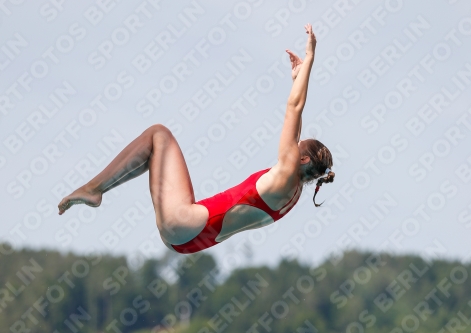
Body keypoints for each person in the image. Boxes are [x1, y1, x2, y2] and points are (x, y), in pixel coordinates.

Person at [58, 24, 335, 254]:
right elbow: (296, 125)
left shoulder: (286, 171)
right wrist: (296, 79)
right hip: (187, 240)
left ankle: (94, 188)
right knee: (155, 151)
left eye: (297, 145)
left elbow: (294, 108)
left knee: (159, 134)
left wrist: (310, 58)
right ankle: (97, 189)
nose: (293, 142)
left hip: (187, 223)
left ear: (303, 158)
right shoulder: (292, 192)